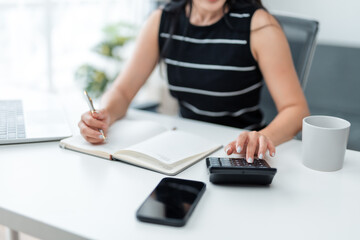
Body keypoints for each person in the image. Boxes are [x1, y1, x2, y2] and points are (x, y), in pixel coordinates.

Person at [78, 0, 309, 163]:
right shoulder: (163, 20)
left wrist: (264, 137)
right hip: (183, 151)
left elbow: (296, 110)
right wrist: (104, 114)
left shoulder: (259, 25)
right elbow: (122, 91)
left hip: (240, 154)